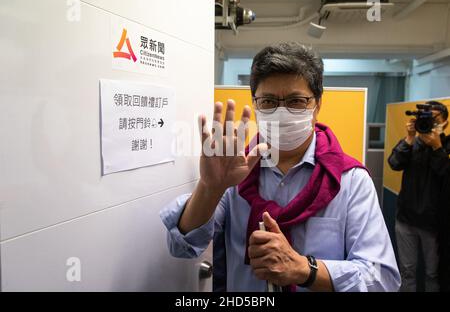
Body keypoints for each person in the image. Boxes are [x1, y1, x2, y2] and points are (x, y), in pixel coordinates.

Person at [160, 42, 400, 292]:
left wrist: (304, 269)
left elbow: (382, 280)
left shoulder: (350, 180)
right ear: (255, 104)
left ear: (317, 105)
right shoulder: (234, 175)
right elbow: (182, 247)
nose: (282, 112)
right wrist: (210, 188)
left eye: (296, 101)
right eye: (268, 101)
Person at [388, 101, 449, 292]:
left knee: (433, 274)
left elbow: (447, 176)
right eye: (426, 119)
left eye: (434, 119)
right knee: (407, 271)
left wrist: (438, 148)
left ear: (445, 122)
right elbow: (394, 163)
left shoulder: (447, 146)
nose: (429, 123)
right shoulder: (412, 144)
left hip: (434, 224)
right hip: (406, 220)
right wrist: (409, 138)